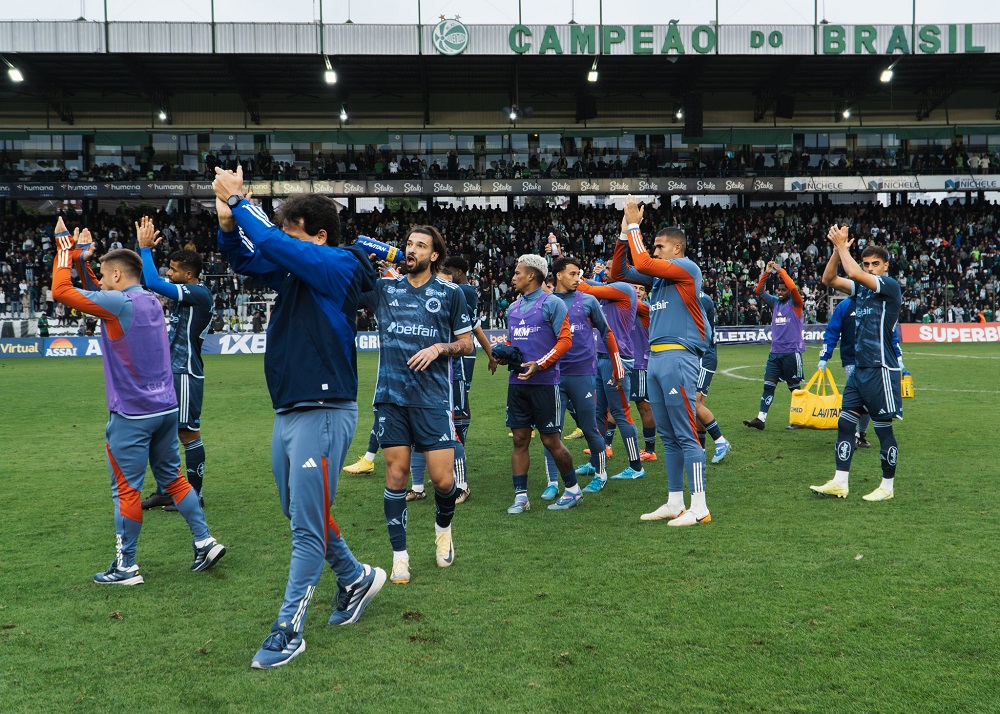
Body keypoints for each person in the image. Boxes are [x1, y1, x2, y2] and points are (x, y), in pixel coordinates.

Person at [214, 166, 385, 670]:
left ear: (320, 235)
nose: (284, 241)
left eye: (293, 230)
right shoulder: (297, 267)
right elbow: (249, 258)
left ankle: (288, 629)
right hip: (290, 409)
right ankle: (355, 578)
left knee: (305, 528)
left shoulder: (339, 265)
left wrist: (243, 200)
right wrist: (228, 224)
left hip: (325, 409)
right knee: (297, 511)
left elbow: (276, 245)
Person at [50, 217, 225, 585]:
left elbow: (62, 292)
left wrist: (66, 252)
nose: (100, 277)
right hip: (164, 408)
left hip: (132, 414)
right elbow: (95, 292)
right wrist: (84, 261)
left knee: (126, 489)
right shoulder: (146, 298)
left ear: (116, 276)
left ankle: (126, 567)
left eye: (102, 272)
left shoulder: (119, 304)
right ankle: (204, 540)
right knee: (175, 480)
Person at [360, 225, 473, 586]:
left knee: (443, 481)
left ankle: (443, 530)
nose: (411, 250)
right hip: (391, 398)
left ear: (434, 255)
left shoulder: (451, 293)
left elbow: (468, 344)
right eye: (408, 244)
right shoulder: (384, 289)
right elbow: (348, 267)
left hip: (432, 400)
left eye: (420, 246)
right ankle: (400, 557)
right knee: (396, 475)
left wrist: (440, 348)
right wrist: (367, 255)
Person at [611, 196, 712, 526]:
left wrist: (637, 225)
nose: (654, 251)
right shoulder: (659, 280)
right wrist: (625, 234)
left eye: (659, 246)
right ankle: (674, 501)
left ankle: (699, 507)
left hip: (678, 357)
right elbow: (619, 272)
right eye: (652, 246)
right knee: (669, 437)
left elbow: (642, 264)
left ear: (677, 250)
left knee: (686, 435)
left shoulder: (687, 269)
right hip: (656, 359)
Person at [811, 228, 903, 502]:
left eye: (876, 264)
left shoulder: (889, 286)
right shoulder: (861, 289)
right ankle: (840, 482)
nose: (870, 268)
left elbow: (852, 274)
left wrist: (843, 248)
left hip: (881, 368)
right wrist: (837, 250)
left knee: (883, 429)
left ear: (886, 266)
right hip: (859, 369)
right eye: (866, 264)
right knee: (845, 424)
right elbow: (828, 278)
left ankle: (887, 487)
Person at [489, 254, 579, 513]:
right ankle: (521, 497)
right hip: (517, 384)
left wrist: (539, 364)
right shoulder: (513, 308)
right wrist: (503, 354)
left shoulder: (552, 303)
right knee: (519, 440)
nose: (513, 277)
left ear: (531, 275)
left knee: (551, 441)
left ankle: (572, 489)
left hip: (545, 382)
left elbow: (565, 341)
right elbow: (513, 342)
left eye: (517, 273)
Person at [135, 216, 214, 512]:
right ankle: (167, 491)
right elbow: (145, 280)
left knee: (187, 433)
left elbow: (153, 282)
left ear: (189, 273)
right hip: (170, 372)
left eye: (175, 270)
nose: (169, 273)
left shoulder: (199, 293)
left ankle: (194, 495)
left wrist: (144, 248)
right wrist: (143, 251)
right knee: (163, 433)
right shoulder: (186, 292)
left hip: (186, 372)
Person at [407, 257, 491, 504]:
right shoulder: (420, 302)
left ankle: (462, 486)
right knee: (415, 432)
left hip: (447, 376)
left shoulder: (457, 296)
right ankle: (418, 486)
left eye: (444, 280)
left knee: (451, 430)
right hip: (420, 375)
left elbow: (468, 337)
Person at [541, 256, 625, 498]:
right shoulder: (547, 302)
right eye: (573, 274)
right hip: (553, 375)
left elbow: (606, 332)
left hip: (582, 374)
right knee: (551, 431)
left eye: (579, 274)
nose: (578, 278)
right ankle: (552, 482)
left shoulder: (588, 301)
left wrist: (617, 365)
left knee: (590, 428)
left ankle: (600, 475)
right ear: (558, 275)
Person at [576, 265, 645, 481]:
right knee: (597, 412)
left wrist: (573, 275)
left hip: (618, 359)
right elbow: (591, 284)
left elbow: (586, 287)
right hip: (602, 357)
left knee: (621, 413)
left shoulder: (624, 289)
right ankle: (595, 462)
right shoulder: (609, 290)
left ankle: (636, 467)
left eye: (608, 268)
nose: (605, 270)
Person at [818, 295, 904, 449]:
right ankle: (851, 434)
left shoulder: (877, 304)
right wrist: (824, 356)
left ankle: (860, 434)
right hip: (852, 360)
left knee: (869, 398)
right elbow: (832, 331)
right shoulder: (845, 306)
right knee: (860, 396)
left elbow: (889, 332)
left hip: (875, 359)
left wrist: (898, 356)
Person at [743, 260, 805, 431]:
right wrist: (766, 273)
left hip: (791, 352)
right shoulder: (776, 303)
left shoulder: (796, 303)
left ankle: (799, 419)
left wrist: (780, 271)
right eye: (778, 289)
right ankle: (760, 419)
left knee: (794, 389)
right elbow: (759, 291)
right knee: (768, 385)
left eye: (783, 290)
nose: (780, 292)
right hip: (775, 352)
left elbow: (793, 288)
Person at [697, 288, 731, 463]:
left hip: (704, 356)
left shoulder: (702, 298)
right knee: (698, 405)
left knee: (694, 403)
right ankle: (700, 449)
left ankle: (720, 441)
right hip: (695, 356)